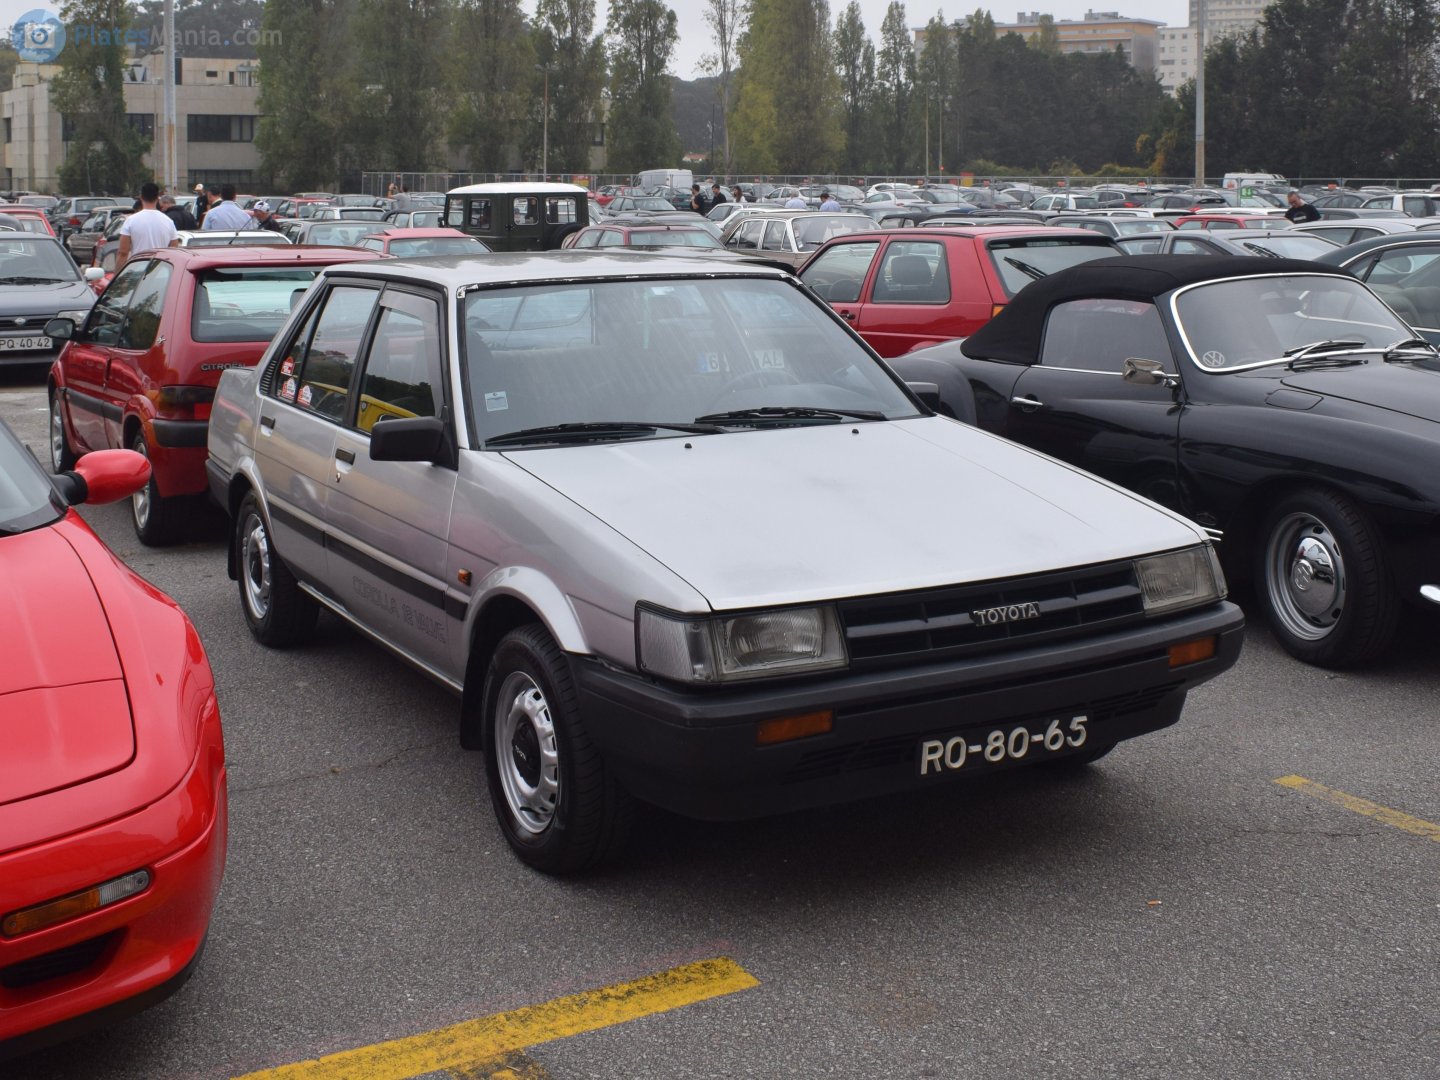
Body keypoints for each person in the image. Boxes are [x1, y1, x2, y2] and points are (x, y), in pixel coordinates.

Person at [118, 181, 177, 262]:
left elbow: (123, 253)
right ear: (157, 198)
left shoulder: (130, 221)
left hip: (137, 268)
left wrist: (118, 273)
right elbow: (174, 252)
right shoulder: (169, 222)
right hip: (161, 270)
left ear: (141, 197)